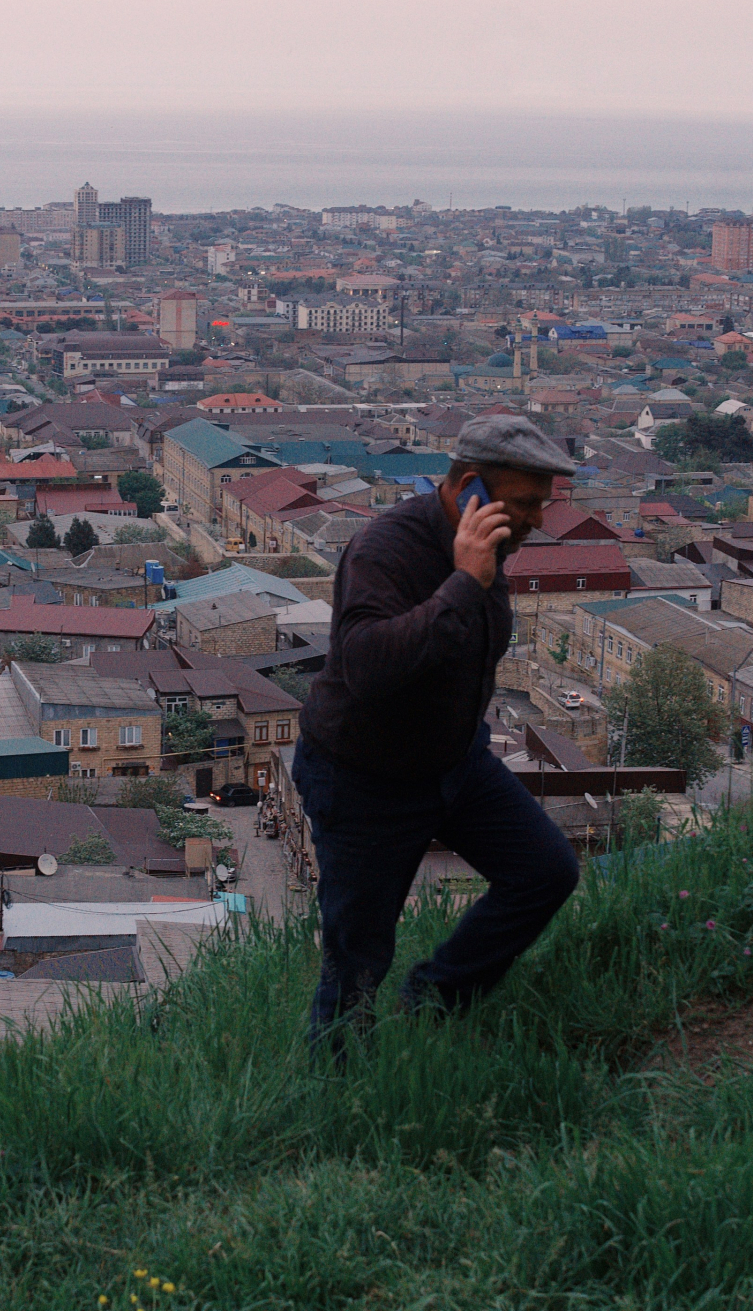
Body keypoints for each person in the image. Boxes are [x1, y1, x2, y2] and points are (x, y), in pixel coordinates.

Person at [293, 414, 583, 1053]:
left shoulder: (490, 543)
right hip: (362, 778)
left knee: (545, 872)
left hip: (453, 762)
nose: (538, 519)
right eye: (527, 503)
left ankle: (434, 1002)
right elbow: (366, 665)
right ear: (471, 486)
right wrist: (464, 580)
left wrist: (477, 569)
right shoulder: (386, 550)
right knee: (358, 957)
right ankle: (335, 1090)